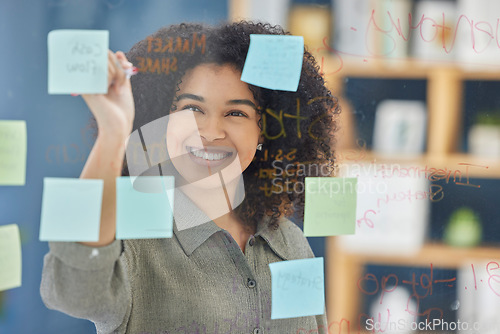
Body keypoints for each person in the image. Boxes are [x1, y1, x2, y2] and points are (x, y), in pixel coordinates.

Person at [40, 21, 338, 334]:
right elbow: (71, 292)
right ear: (162, 121)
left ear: (265, 132)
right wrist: (114, 131)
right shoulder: (133, 234)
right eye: (193, 108)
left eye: (236, 113)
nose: (210, 132)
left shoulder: (289, 242)